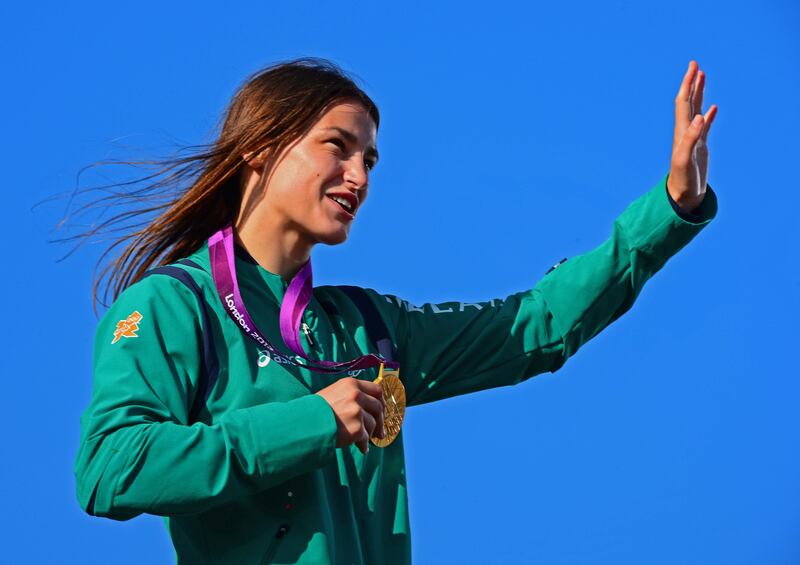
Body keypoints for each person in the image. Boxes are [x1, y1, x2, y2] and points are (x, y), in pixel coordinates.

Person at [73, 57, 718, 564]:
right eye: (337, 146)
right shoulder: (172, 306)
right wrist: (311, 422)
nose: (360, 176)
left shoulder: (367, 327)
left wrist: (670, 207)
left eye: (370, 160)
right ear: (260, 148)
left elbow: (536, 325)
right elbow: (111, 468)